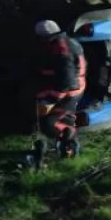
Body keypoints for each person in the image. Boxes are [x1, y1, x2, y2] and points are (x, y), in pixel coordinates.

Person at [33, 19, 87, 158]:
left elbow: (67, 79)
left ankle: (68, 134)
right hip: (70, 85)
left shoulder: (62, 49)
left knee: (48, 123)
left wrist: (51, 97)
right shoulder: (66, 41)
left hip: (70, 90)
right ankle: (66, 135)